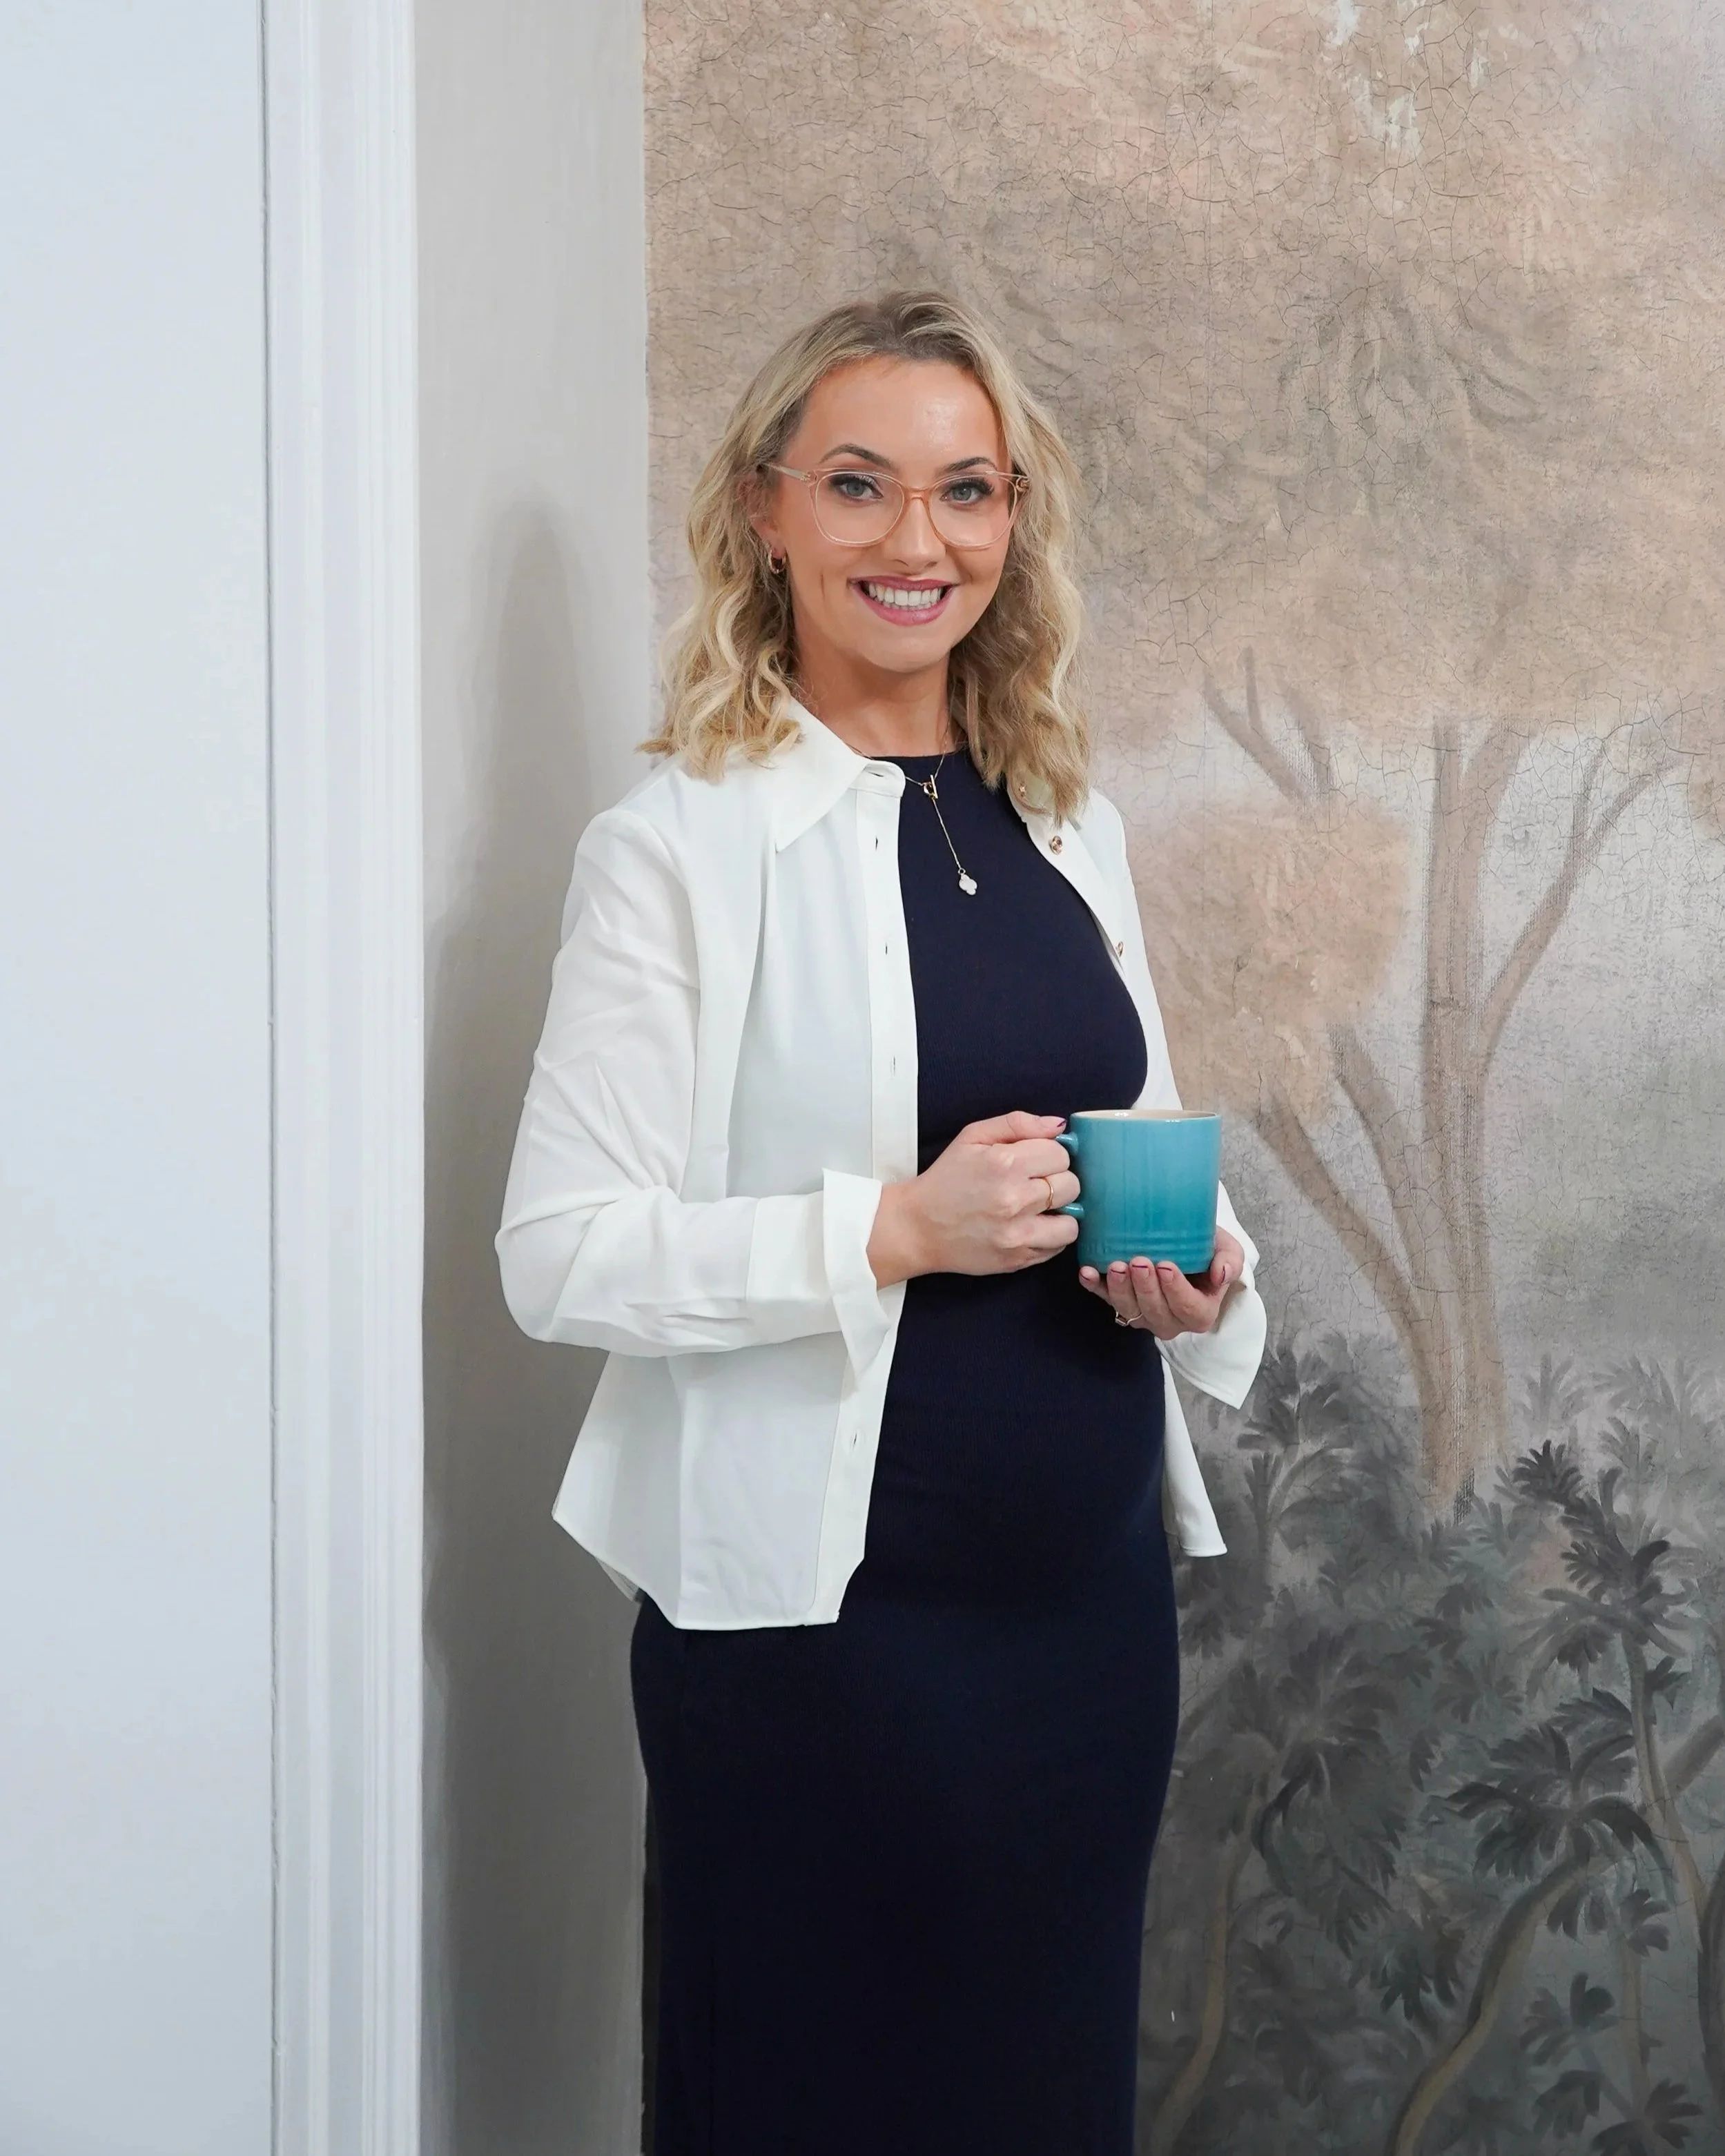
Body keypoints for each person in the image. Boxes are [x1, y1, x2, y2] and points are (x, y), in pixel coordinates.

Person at [497, 290, 1267, 2156]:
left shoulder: (1067, 822)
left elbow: (1146, 1128)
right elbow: (561, 1249)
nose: (916, 542)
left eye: (965, 491)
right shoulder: (676, 848)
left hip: (1086, 1629)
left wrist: (1206, 1272)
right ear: (768, 510)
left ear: (1013, 524)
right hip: (823, 1643)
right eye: (859, 486)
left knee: (1037, 2103)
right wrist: (894, 1231)